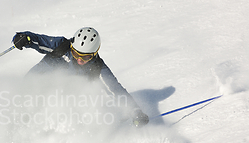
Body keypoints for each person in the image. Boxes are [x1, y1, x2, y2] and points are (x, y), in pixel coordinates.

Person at [12, 27, 149, 127]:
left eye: (86, 57)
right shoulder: (62, 47)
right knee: (23, 112)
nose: (79, 60)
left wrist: (135, 111)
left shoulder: (97, 68)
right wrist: (24, 38)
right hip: (32, 88)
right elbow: (37, 40)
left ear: (95, 53)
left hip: (59, 101)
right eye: (76, 54)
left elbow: (116, 90)